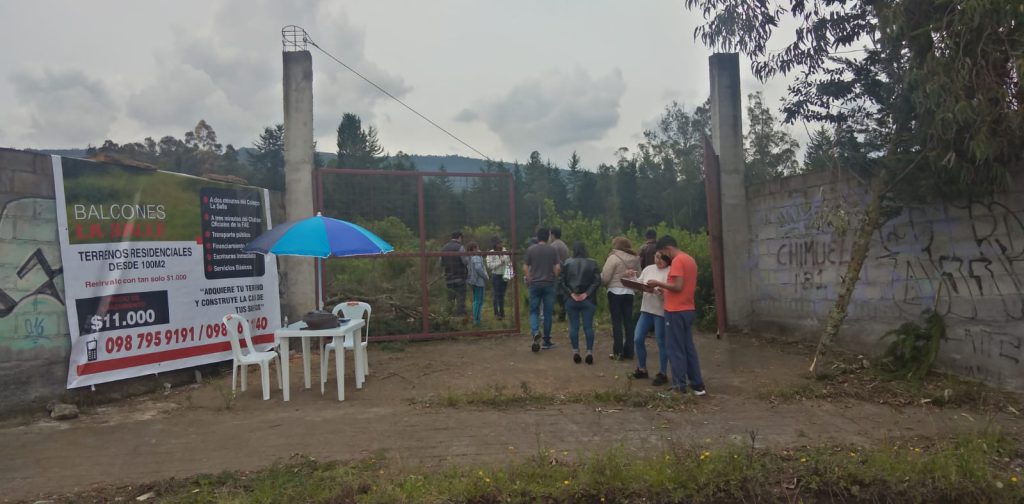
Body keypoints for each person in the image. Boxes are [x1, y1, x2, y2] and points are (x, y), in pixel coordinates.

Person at [648, 235, 706, 396]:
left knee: (675, 349)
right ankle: (697, 385)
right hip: (687, 308)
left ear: (667, 249)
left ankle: (679, 385)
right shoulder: (690, 260)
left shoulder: (678, 261)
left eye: (662, 252)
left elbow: (678, 286)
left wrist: (658, 283)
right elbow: (682, 286)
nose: (663, 256)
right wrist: (664, 289)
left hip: (675, 310)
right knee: (688, 348)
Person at [629, 253, 671, 385]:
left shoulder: (670, 271)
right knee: (637, 338)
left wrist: (658, 291)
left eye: (661, 258)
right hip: (646, 309)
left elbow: (671, 292)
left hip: (661, 311)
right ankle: (642, 368)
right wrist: (632, 278)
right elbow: (639, 284)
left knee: (661, 341)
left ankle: (662, 372)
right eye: (656, 257)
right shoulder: (649, 269)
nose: (658, 261)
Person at [559, 241, 601, 364]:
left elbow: (561, 281)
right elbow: (597, 281)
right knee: (588, 327)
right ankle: (589, 351)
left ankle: (576, 351)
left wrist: (571, 294)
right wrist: (587, 294)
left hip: (571, 299)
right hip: (588, 300)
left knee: (574, 326)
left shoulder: (567, 263)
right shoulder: (592, 263)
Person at [601, 236, 640, 360]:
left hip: (615, 292)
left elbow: (605, 277)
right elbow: (639, 274)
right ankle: (629, 351)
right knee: (628, 322)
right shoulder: (635, 259)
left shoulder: (613, 257)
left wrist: (604, 283)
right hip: (629, 292)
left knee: (616, 322)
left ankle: (618, 352)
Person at [525, 227, 560, 352]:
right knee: (547, 313)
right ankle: (546, 340)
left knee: (534, 310)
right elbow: (557, 268)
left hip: (534, 284)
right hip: (548, 284)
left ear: (537, 236)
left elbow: (525, 266)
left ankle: (535, 332)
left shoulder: (531, 249)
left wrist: (529, 279)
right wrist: (554, 277)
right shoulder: (552, 250)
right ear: (548, 236)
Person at [440, 231, 469, 318]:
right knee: (460, 298)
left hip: (448, 278)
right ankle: (460, 317)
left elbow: (441, 263)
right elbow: (465, 261)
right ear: (459, 237)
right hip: (460, 277)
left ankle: (448, 317)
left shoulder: (444, 248)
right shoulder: (460, 247)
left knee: (450, 299)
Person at [484, 236, 511, 320]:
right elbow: (490, 266)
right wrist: (500, 262)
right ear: (495, 244)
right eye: (499, 243)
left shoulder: (505, 251)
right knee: (496, 294)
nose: (501, 244)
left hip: (505, 275)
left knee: (502, 294)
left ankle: (502, 312)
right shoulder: (491, 253)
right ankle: (496, 312)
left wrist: (510, 274)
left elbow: (509, 263)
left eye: (501, 243)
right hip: (496, 276)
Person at [548, 227, 570, 322]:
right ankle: (562, 314)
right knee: (563, 295)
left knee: (552, 294)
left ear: (552, 235)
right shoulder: (564, 246)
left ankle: (551, 315)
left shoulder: (552, 246)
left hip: (555, 273)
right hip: (565, 272)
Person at [466, 242, 488, 326]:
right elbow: (478, 268)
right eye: (478, 248)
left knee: (476, 300)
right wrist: (485, 276)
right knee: (479, 301)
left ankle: (477, 318)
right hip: (478, 282)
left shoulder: (470, 257)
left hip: (473, 281)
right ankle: (477, 320)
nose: (479, 250)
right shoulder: (476, 257)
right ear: (474, 249)